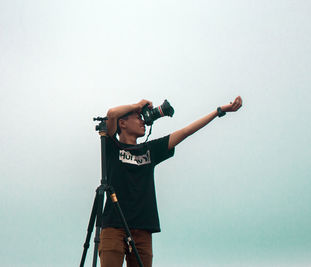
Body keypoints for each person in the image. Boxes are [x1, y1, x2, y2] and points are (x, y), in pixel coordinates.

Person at [98, 96, 243, 267]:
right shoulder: (112, 146)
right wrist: (137, 106)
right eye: (138, 118)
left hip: (142, 229)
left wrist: (219, 111)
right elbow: (112, 113)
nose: (143, 122)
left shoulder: (149, 150)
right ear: (122, 124)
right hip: (114, 227)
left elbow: (186, 132)